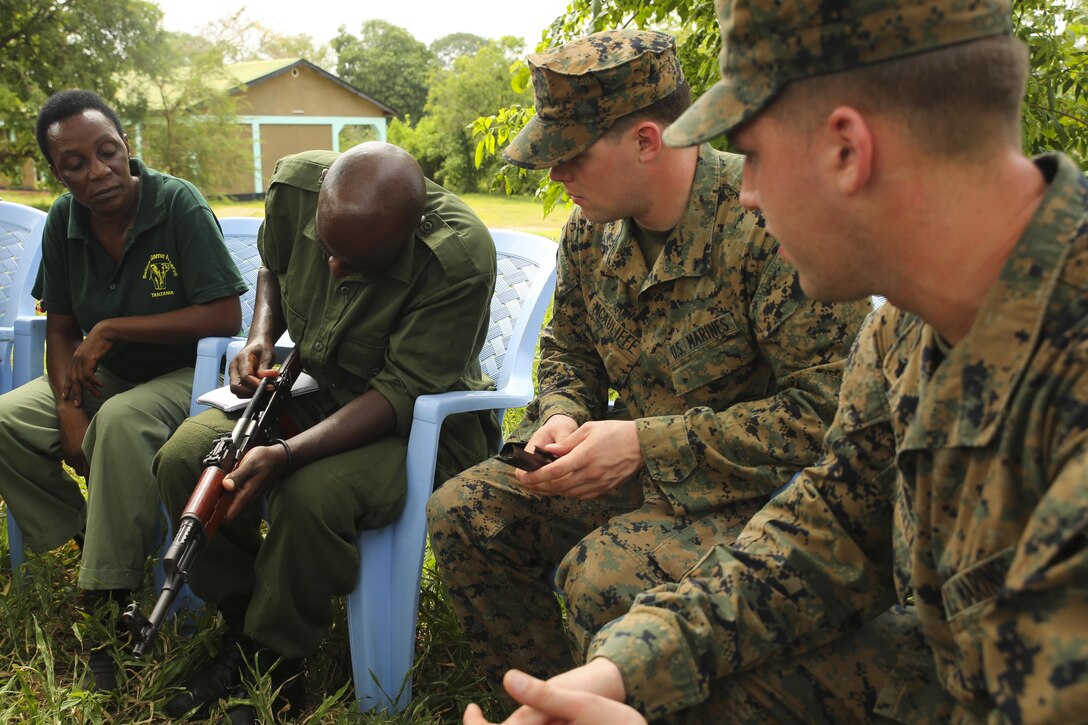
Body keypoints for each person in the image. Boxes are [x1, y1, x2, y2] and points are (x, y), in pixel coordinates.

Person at [466, 0, 1088, 722]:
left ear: (847, 152)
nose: (748, 193)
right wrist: (616, 672)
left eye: (754, 155)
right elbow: (825, 529)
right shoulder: (907, 336)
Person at [427, 28, 871, 697]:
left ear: (645, 140)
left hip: (753, 492)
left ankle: (616, 699)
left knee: (603, 575)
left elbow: (828, 418)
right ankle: (540, 698)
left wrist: (643, 442)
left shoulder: (766, 227)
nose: (555, 173)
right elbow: (568, 346)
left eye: (571, 153)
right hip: (627, 464)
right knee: (466, 510)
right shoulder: (590, 227)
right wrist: (562, 414)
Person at [154, 141, 498, 722]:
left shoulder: (457, 259)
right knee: (188, 457)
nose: (333, 267)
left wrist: (286, 454)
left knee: (311, 494)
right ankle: (244, 623)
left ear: (406, 238)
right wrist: (261, 333)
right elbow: (273, 266)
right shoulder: (297, 188)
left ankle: (274, 661)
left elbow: (398, 394)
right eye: (328, 249)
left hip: (414, 427)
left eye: (354, 261)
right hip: (320, 391)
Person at [0, 89, 246, 691]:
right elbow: (58, 326)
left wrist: (111, 328)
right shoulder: (64, 219)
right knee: (5, 420)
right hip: (105, 374)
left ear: (126, 146)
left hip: (189, 373)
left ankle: (106, 608)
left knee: (119, 423)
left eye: (107, 151)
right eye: (75, 164)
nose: (97, 171)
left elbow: (223, 316)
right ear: (59, 173)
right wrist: (66, 408)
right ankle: (94, 536)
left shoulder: (176, 203)